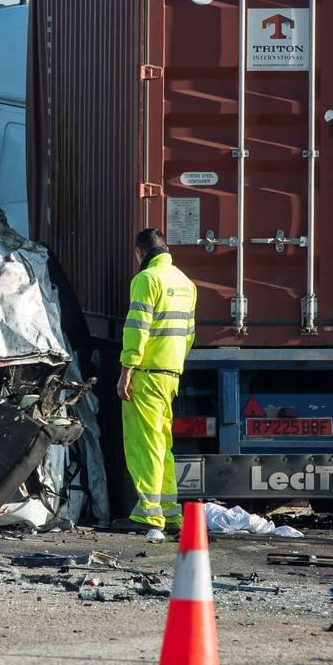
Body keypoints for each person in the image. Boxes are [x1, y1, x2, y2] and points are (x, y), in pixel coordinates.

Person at [117, 228, 197, 543]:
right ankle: (171, 512)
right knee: (163, 445)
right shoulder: (186, 283)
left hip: (147, 373)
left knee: (144, 443)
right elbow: (189, 335)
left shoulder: (147, 280)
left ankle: (148, 514)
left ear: (141, 252)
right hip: (171, 373)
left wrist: (127, 370)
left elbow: (137, 329)